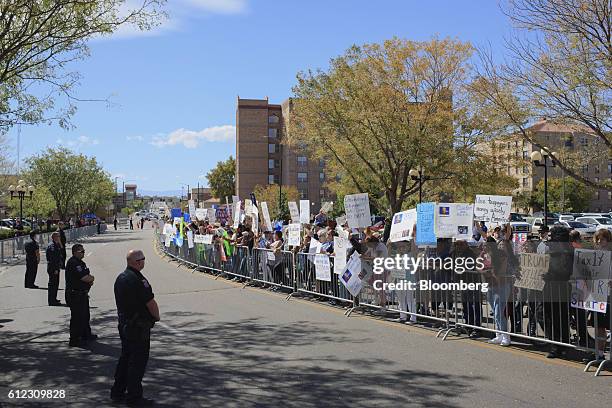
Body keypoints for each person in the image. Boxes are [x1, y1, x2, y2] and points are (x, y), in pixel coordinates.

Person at [111, 250, 160, 406]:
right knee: (137, 363)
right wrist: (156, 317)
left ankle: (117, 392)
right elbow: (150, 303)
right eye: (142, 259)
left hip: (124, 324)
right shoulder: (139, 280)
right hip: (138, 327)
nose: (144, 261)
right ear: (137, 262)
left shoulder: (121, 278)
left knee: (125, 359)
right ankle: (134, 397)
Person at [65, 244, 96, 347]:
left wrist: (89, 279)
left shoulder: (81, 263)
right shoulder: (73, 263)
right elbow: (85, 277)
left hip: (82, 294)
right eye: (81, 251)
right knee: (77, 317)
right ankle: (74, 339)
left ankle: (86, 335)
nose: (83, 253)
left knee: (85, 315)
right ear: (75, 252)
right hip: (75, 294)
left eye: (84, 251)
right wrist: (91, 279)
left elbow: (87, 275)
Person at [46, 232, 63, 306]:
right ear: (54, 237)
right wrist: (55, 269)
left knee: (56, 284)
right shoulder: (52, 246)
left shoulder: (56, 244)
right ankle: (51, 301)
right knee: (53, 284)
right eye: (58, 236)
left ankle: (54, 298)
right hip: (53, 267)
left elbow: (62, 250)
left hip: (56, 267)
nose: (59, 237)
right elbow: (53, 259)